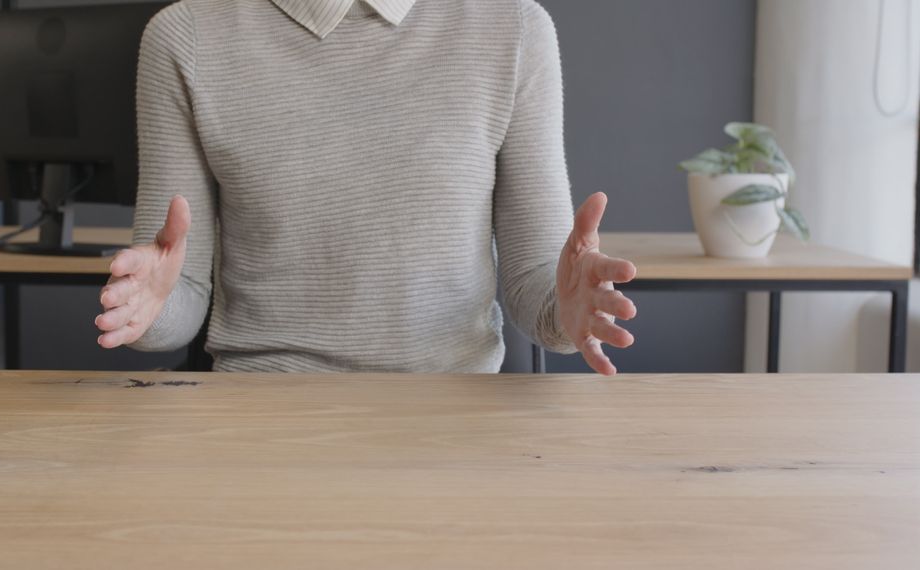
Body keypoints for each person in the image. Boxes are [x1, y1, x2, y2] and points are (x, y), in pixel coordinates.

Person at [94, 0, 638, 374]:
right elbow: (177, 299)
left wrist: (568, 312)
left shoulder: (514, 27)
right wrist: (147, 310)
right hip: (258, 419)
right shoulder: (185, 36)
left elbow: (536, 291)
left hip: (456, 425)